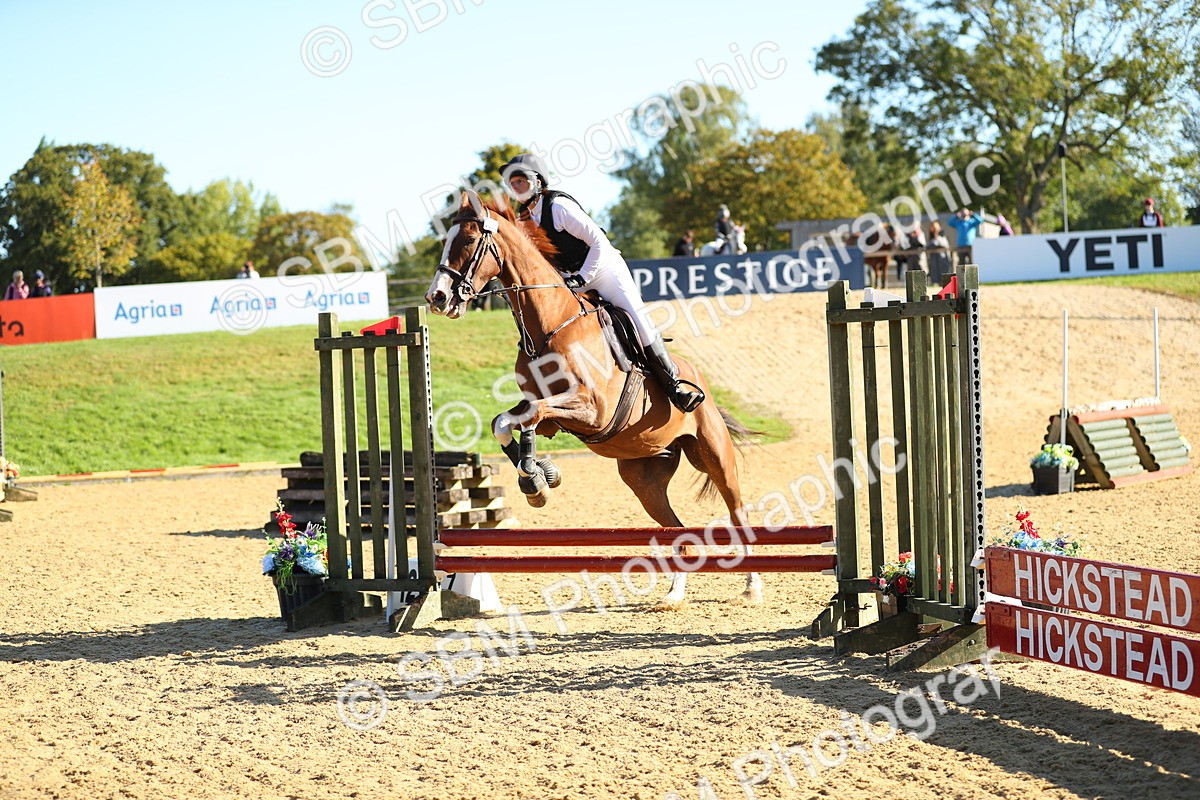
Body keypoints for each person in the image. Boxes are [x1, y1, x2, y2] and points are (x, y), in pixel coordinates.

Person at [501, 153, 704, 412]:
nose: (515, 186)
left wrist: (583, 277)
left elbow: (599, 242)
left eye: (521, 180)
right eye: (512, 182)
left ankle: (674, 385)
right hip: (570, 280)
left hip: (604, 270)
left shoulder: (559, 207)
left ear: (538, 181)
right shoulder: (522, 220)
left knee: (637, 320)